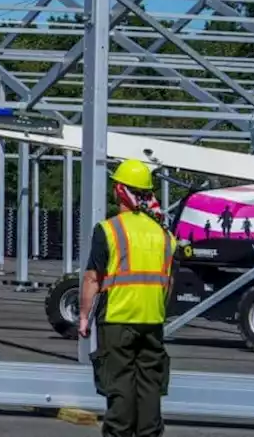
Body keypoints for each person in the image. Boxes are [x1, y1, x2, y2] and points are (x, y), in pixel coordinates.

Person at [78, 159, 174, 437]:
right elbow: (168, 281)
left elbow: (92, 279)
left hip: (118, 319)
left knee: (119, 387)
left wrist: (84, 317)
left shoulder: (108, 230)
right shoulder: (163, 233)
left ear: (120, 191)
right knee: (150, 388)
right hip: (152, 319)